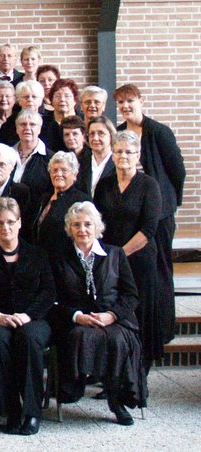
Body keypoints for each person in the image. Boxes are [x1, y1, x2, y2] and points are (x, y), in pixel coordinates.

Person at [50, 201, 147, 425]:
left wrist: (111, 315)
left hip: (115, 320)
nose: (82, 229)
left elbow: (131, 295)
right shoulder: (59, 258)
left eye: (87, 224)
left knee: (117, 340)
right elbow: (54, 299)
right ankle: (74, 386)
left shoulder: (115, 254)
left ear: (97, 227)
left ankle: (116, 401)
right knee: (81, 336)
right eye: (76, 225)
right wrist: (78, 316)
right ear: (69, 228)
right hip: (77, 321)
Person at [0, 198, 54, 436]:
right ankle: (11, 409)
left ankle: (32, 412)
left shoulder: (37, 254)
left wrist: (28, 315)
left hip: (32, 319)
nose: (6, 227)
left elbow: (48, 292)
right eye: (0, 223)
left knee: (29, 339)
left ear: (20, 223)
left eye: (11, 222)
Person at [94, 131, 167, 373]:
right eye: (118, 151)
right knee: (114, 313)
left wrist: (120, 255)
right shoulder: (104, 185)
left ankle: (139, 374)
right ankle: (114, 375)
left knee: (139, 314)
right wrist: (108, 257)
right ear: (112, 154)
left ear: (138, 155)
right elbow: (98, 223)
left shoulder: (149, 185)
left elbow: (149, 229)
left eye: (128, 152)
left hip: (140, 261)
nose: (123, 156)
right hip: (111, 262)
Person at [115, 84, 184, 333]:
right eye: (121, 102)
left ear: (140, 101)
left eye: (130, 101)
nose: (125, 106)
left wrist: (169, 203)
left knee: (161, 269)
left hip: (159, 212)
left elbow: (177, 171)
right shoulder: (119, 133)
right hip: (132, 212)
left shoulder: (158, 132)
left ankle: (164, 327)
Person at [28, 151, 91, 257]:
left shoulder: (81, 200)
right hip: (41, 259)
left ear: (74, 174)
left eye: (64, 170)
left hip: (66, 260)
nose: (58, 174)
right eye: (55, 170)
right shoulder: (44, 198)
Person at [12, 109, 54, 202]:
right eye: (23, 124)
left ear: (39, 129)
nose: (27, 128)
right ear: (17, 129)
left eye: (32, 124)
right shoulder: (6, 154)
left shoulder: (50, 159)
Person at [75, 116, 116, 196]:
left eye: (101, 133)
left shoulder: (118, 164)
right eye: (92, 134)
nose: (95, 138)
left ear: (111, 136)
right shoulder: (80, 163)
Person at [41, 78, 79, 151]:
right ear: (51, 100)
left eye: (67, 96)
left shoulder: (83, 121)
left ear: (75, 100)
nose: (62, 99)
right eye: (57, 96)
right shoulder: (43, 123)